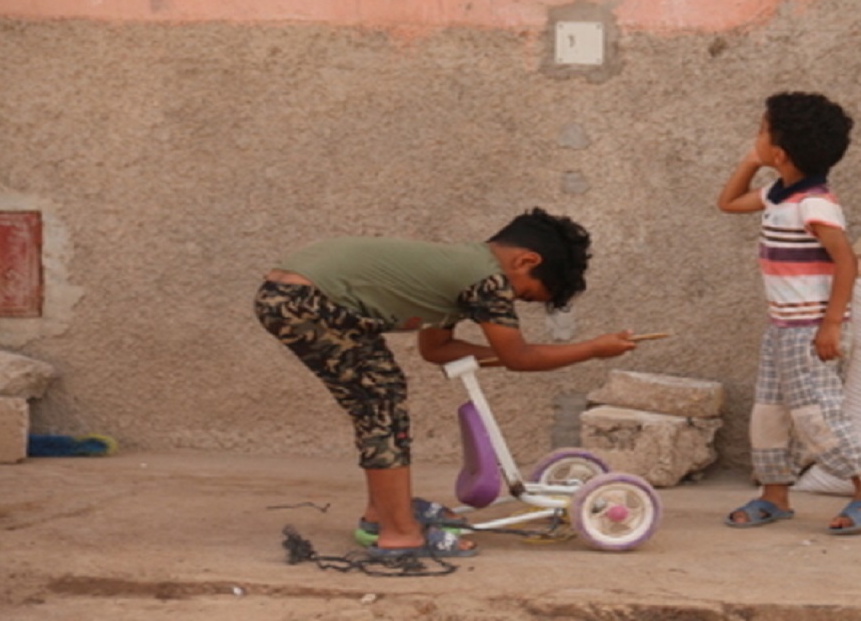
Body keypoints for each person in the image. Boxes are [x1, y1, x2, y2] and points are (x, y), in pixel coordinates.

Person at [254, 208, 637, 558]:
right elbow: (518, 357)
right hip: (306, 299)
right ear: (526, 261)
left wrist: (502, 355)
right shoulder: (487, 281)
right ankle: (399, 533)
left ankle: (382, 514)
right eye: (524, 294)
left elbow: (437, 349)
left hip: (289, 294)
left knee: (379, 399)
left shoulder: (462, 269)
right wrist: (593, 349)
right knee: (381, 400)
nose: (512, 302)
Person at [716, 92, 861, 535]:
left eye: (761, 133)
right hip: (782, 328)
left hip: (811, 329)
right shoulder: (778, 195)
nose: (755, 138)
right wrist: (752, 160)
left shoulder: (814, 204)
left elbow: (846, 261)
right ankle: (774, 494)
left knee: (817, 414)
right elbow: (728, 202)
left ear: (780, 153)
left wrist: (832, 324)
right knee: (771, 413)